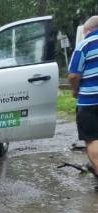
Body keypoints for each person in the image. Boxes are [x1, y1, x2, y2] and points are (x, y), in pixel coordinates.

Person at [68, 16, 98, 190]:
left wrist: (75, 90)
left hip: (90, 101)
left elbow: (73, 75)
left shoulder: (84, 45)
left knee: (93, 140)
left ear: (87, 30)